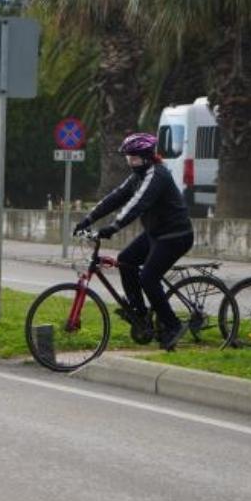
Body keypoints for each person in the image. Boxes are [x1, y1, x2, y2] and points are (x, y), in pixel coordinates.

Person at [74, 132, 194, 351]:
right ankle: (139, 313)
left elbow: (137, 204)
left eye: (134, 157)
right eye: (128, 157)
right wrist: (88, 219)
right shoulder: (137, 176)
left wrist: (113, 227)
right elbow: (116, 197)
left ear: (147, 157)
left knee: (148, 277)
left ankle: (173, 326)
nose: (130, 161)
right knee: (126, 260)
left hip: (175, 236)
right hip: (156, 233)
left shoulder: (156, 175)